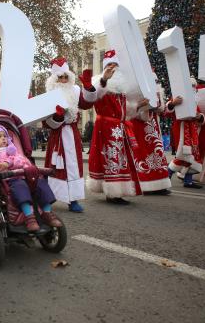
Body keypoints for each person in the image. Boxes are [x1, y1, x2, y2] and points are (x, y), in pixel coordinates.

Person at [78, 50, 142, 205]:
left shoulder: (123, 88)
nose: (113, 68)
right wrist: (104, 80)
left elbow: (126, 110)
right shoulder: (99, 82)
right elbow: (90, 97)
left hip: (120, 127)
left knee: (121, 159)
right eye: (110, 65)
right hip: (106, 127)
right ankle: (113, 193)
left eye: (116, 65)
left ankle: (118, 190)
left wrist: (138, 106)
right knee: (111, 157)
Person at [0, 124, 62, 231]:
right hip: (10, 180)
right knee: (21, 188)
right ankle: (29, 217)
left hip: (24, 175)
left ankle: (47, 213)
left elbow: (22, 161)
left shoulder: (13, 151)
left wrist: (9, 162)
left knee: (41, 183)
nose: (3, 138)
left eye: (5, 136)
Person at [43, 57, 85, 212]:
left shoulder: (76, 91)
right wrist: (58, 117)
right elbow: (46, 123)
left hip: (72, 135)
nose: (63, 79)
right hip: (57, 136)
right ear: (54, 79)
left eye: (66, 76)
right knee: (53, 168)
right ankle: (47, 198)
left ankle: (73, 200)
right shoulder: (49, 95)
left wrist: (88, 87)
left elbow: (86, 104)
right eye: (60, 77)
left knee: (73, 167)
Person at [130, 73, 172, 195]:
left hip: (153, 124)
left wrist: (157, 105)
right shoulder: (135, 89)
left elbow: (162, 109)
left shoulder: (156, 90)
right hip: (139, 127)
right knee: (143, 155)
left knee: (157, 153)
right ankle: (146, 184)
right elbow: (131, 109)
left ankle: (160, 182)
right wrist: (144, 106)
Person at [166, 77, 205, 189]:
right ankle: (166, 177)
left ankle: (188, 181)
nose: (193, 89)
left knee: (193, 157)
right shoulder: (178, 97)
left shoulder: (194, 101)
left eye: (194, 87)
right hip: (182, 130)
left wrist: (200, 117)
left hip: (192, 131)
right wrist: (173, 103)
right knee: (183, 156)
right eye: (191, 87)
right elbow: (167, 112)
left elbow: (200, 116)